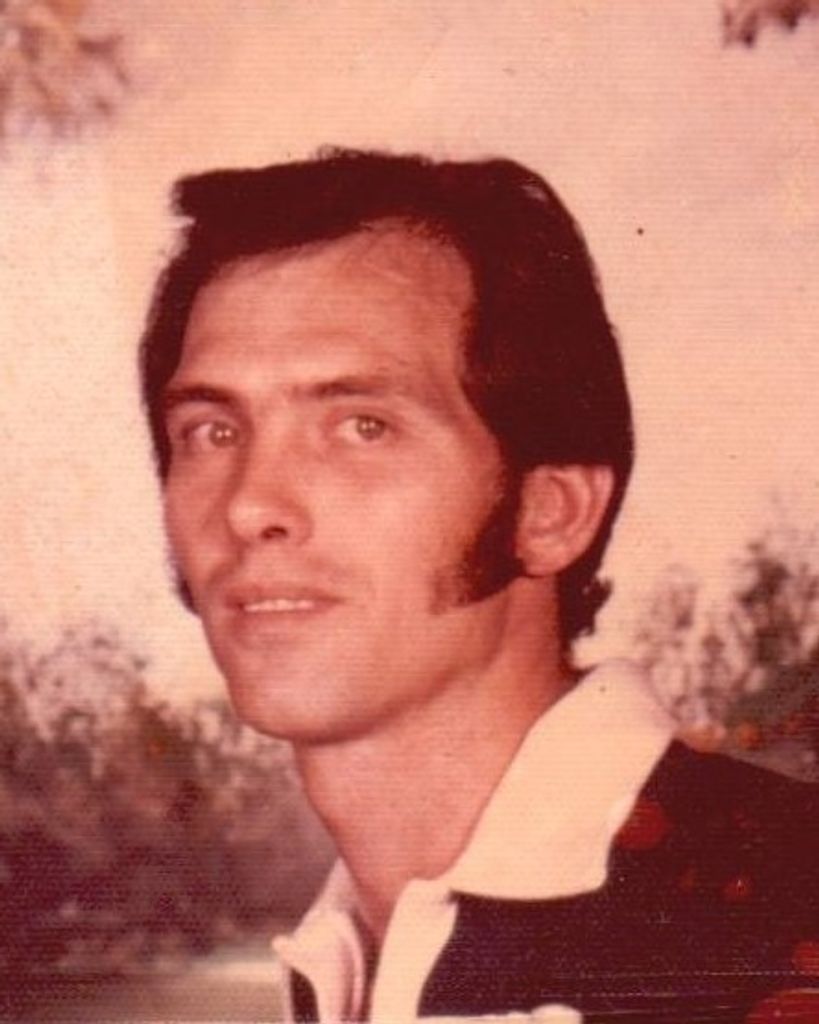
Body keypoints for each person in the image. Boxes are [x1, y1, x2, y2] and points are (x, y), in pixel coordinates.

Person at [139, 149, 819, 1023]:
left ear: (549, 512)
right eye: (211, 432)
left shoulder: (784, 915)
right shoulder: (342, 958)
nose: (249, 506)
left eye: (362, 426)